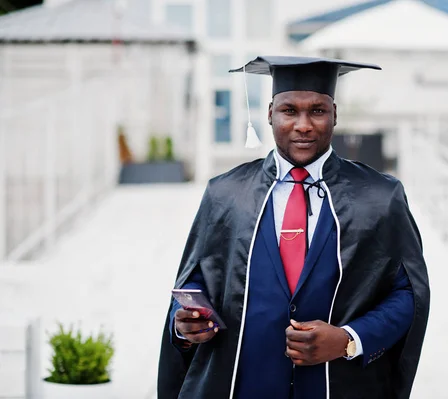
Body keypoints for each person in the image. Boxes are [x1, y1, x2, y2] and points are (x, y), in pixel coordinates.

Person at [157, 56, 430, 399]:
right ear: (270, 113)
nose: (303, 125)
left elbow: (409, 295)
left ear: (335, 114)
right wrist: (186, 325)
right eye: (289, 111)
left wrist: (349, 339)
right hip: (238, 386)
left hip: (338, 387)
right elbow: (195, 280)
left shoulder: (380, 196)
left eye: (317, 111)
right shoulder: (225, 193)